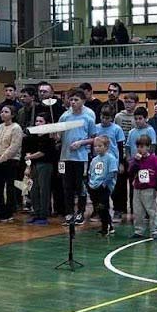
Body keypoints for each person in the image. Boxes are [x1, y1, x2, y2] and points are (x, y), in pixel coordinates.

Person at [58, 89, 98, 225]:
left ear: (83, 101)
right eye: (71, 100)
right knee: (67, 187)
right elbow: (59, 136)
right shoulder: (64, 117)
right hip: (65, 157)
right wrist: (55, 135)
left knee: (80, 186)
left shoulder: (88, 118)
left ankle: (80, 212)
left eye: (76, 100)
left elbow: (94, 139)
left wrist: (81, 143)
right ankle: (69, 213)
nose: (73, 102)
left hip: (81, 158)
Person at [0, 103, 23, 222]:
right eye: (2, 112)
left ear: (12, 115)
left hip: (10, 161)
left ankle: (9, 212)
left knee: (10, 187)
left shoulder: (16, 128)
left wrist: (2, 158)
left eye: (6, 112)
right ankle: (0, 211)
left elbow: (14, 146)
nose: (3, 114)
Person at [22, 105, 56, 225]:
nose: (37, 123)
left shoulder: (49, 138)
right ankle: (36, 213)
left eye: (41, 121)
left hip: (45, 165)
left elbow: (42, 152)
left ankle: (43, 214)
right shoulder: (32, 136)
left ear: (46, 123)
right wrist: (28, 163)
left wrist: (30, 157)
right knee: (33, 189)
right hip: (34, 165)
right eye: (36, 121)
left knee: (44, 189)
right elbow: (28, 150)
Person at [129, 133, 157, 240]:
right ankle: (138, 231)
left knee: (151, 210)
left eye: (142, 147)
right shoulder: (136, 159)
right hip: (137, 188)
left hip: (149, 189)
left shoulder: (154, 160)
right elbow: (130, 172)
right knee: (138, 211)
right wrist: (136, 161)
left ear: (148, 147)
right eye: (138, 147)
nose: (139, 149)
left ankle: (155, 231)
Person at [87, 135, 117, 237]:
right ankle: (107, 225)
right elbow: (91, 173)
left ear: (106, 146)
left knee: (103, 206)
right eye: (95, 146)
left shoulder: (110, 158)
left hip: (103, 187)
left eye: (100, 146)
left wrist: (104, 184)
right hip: (94, 186)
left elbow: (112, 172)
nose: (97, 148)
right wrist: (90, 183)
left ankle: (106, 226)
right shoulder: (94, 160)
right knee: (98, 207)